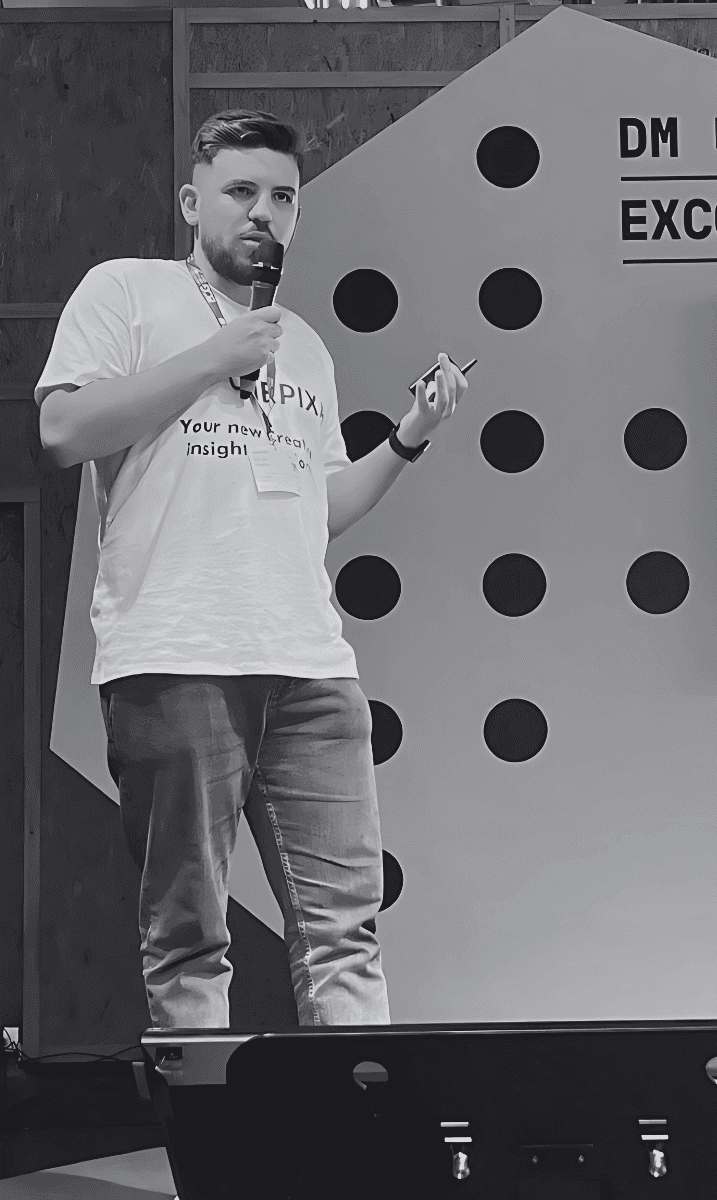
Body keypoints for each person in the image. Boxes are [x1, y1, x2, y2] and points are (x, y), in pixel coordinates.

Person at [34, 108, 467, 1033]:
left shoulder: (304, 345)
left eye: (282, 196)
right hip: (177, 655)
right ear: (194, 202)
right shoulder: (128, 293)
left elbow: (321, 511)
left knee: (345, 934)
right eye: (241, 192)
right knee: (191, 938)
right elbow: (64, 431)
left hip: (312, 666)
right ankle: (217, 1166)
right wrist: (212, 358)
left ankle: (364, 1164)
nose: (262, 213)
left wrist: (408, 438)